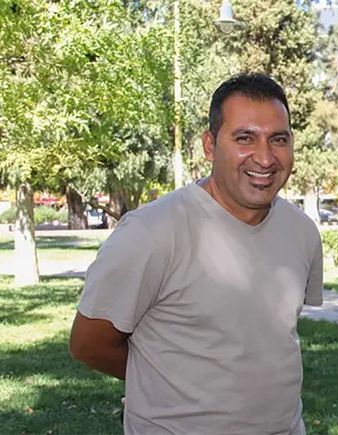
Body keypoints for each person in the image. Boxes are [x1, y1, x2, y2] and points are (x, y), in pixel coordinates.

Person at [68, 73, 323, 434]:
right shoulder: (150, 233)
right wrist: (170, 384)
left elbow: (270, 339)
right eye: (244, 138)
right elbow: (88, 345)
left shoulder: (302, 231)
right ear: (209, 145)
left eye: (278, 139)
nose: (265, 158)